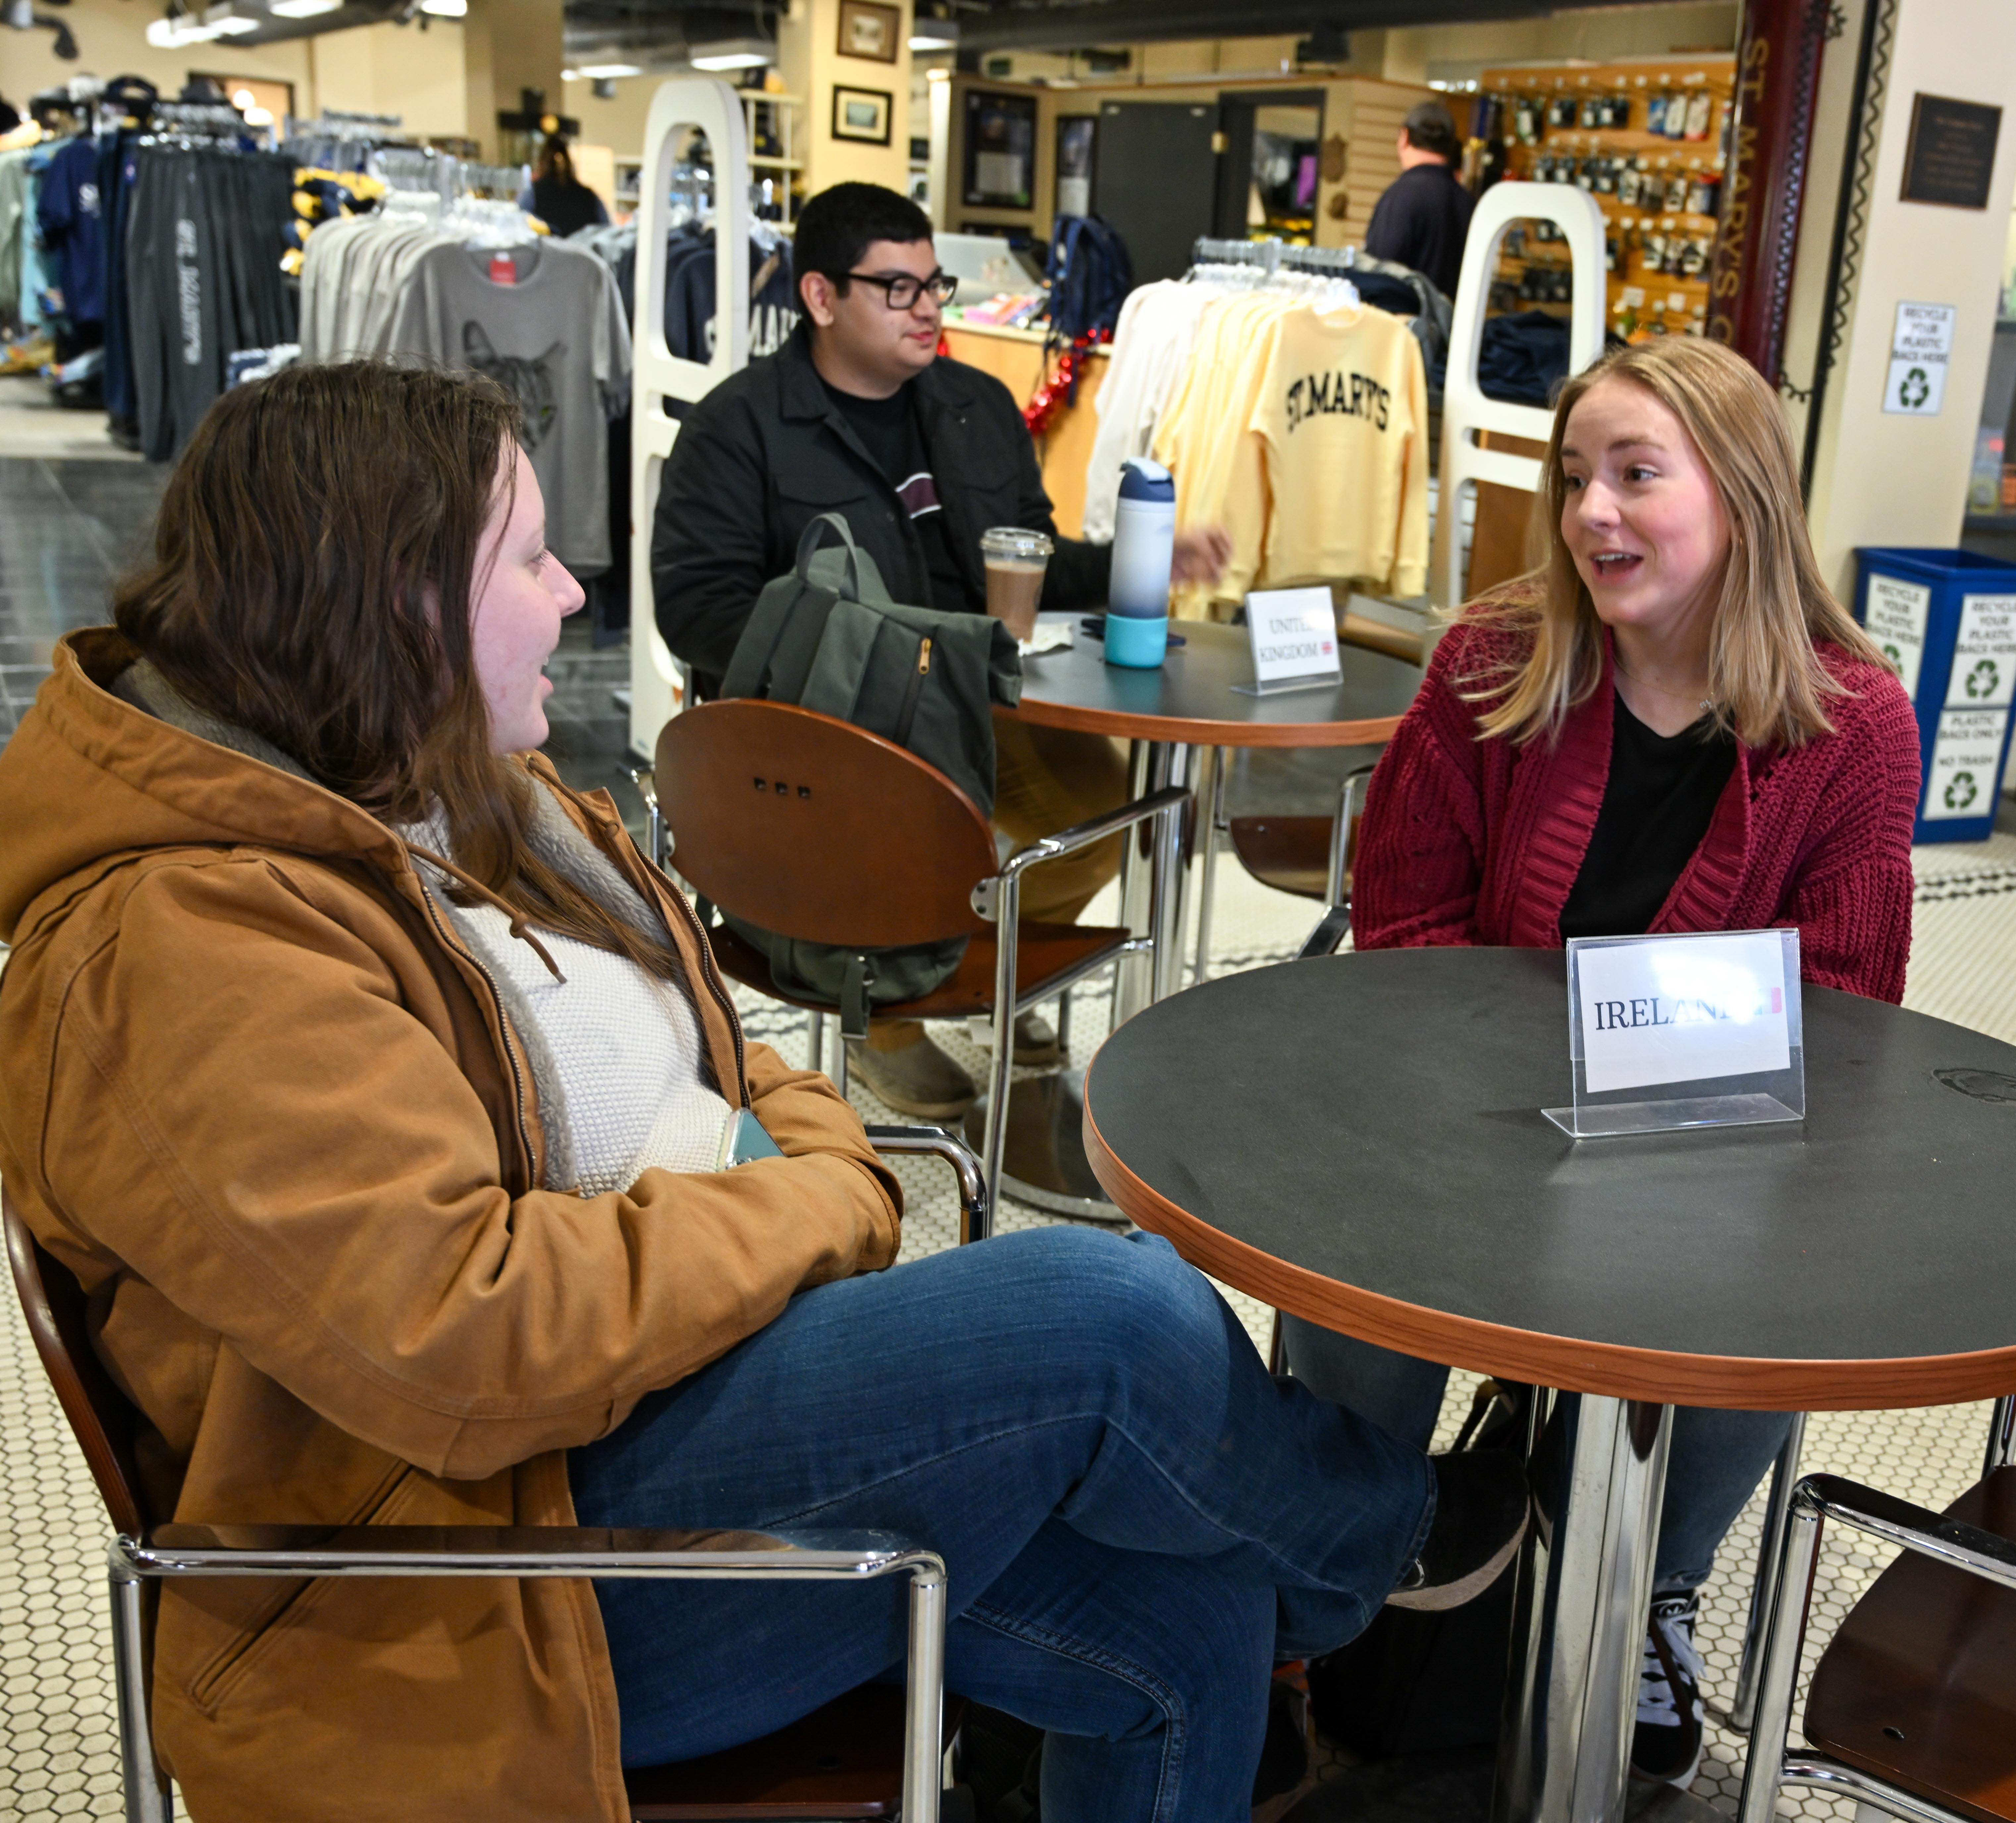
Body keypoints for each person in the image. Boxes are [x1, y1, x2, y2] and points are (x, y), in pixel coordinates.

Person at [0, 362, 1525, 1823]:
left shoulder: (448, 793)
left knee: (1185, 1620)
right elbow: (464, 1331)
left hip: (667, 1403)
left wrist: (806, 1171)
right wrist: (812, 1199)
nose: (571, 596)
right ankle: (1389, 1551)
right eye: (525, 558)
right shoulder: (180, 946)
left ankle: (1344, 1570)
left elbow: (717, 1061)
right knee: (1112, 1317)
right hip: (484, 1583)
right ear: (397, 602)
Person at [1290, 336, 1921, 1789]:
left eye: (1639, 474)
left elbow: (1842, 1004)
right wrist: (1505, 1109)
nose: (1592, 513)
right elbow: (1409, 925)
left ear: (1744, 495)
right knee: (1352, 1277)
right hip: (1461, 1107)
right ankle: (1332, 1577)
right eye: (1579, 477)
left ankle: (1654, 1586)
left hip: (1702, 1140)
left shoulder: (1851, 719)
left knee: (1779, 1308)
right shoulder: (1492, 660)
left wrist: (1644, 1109)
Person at [652, 183, 1230, 1119]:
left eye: (935, 284)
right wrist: (873, 650)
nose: (928, 308)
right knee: (926, 835)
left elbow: (1027, 559)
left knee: (1112, 808)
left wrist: (1140, 563)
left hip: (979, 706)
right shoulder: (738, 428)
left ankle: (956, 963)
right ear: (821, 298)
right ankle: (885, 1017)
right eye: (897, 288)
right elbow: (695, 607)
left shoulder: (976, 405)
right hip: (830, 727)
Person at [1362, 99, 1477, 301]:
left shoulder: (1401, 196)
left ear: (1405, 137)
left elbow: (1378, 276)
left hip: (1407, 326)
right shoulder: (1467, 202)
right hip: (1454, 327)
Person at [526, 133, 608, 237]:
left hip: (548, 251)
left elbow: (517, 225)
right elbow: (606, 230)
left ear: (542, 163)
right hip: (582, 251)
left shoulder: (533, 194)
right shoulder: (589, 195)